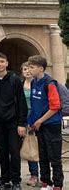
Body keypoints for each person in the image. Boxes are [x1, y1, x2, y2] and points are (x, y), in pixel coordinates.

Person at [0, 52, 27, 190]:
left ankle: (16, 181)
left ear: (7, 63)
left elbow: (21, 103)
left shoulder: (15, 79)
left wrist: (21, 123)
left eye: (2, 61)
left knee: (14, 152)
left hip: (14, 122)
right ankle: (5, 180)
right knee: (2, 152)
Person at [27, 55, 64, 190]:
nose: (29, 69)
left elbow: (55, 107)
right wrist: (31, 122)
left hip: (51, 125)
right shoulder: (33, 82)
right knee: (42, 156)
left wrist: (40, 121)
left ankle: (58, 185)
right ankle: (46, 183)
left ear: (41, 68)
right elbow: (34, 105)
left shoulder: (50, 83)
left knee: (54, 157)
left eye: (32, 67)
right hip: (38, 125)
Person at [21, 62, 39, 187]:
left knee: (41, 148)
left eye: (29, 69)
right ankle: (33, 174)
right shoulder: (20, 86)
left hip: (38, 119)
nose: (27, 71)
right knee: (30, 147)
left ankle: (45, 175)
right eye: (25, 69)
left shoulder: (38, 85)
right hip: (24, 120)